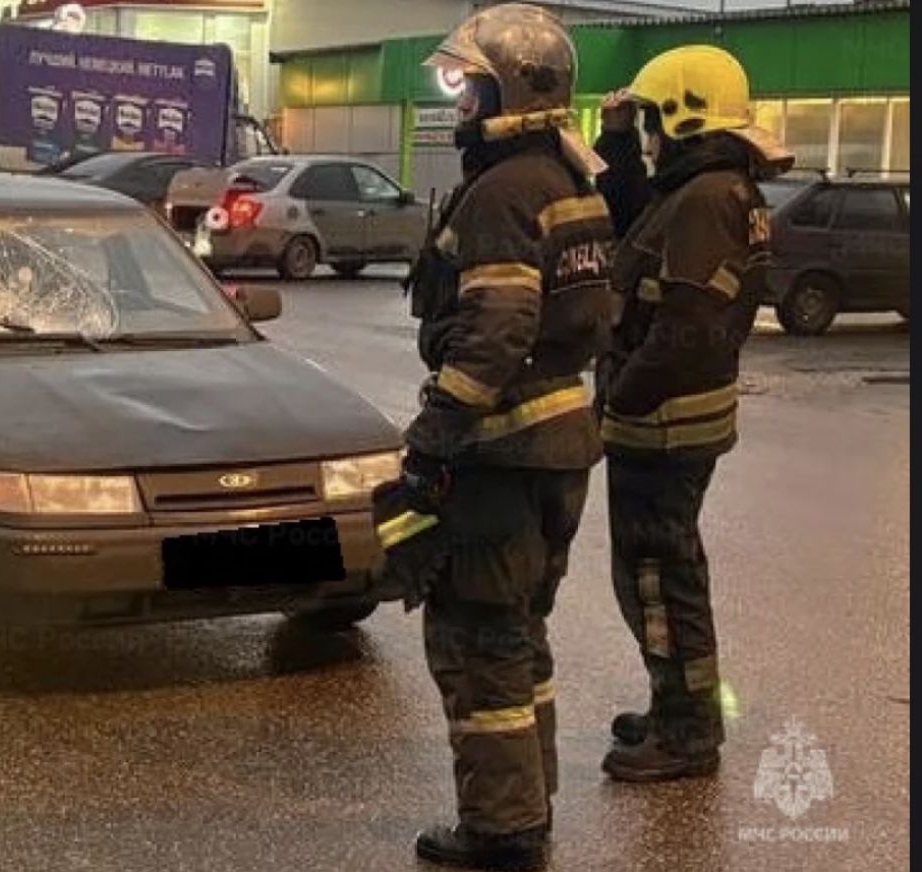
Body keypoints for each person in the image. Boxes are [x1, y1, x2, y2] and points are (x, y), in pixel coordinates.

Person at [373, 5, 614, 870]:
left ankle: (503, 830)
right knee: (520, 635)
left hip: (502, 457)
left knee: (478, 643)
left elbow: (495, 329)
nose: (460, 103)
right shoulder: (569, 181)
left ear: (508, 90)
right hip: (559, 452)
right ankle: (528, 803)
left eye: (468, 87)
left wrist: (433, 442)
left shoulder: (505, 192)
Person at [591, 45, 793, 782]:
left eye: (649, 119)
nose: (647, 132)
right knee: (664, 574)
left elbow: (684, 332)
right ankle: (677, 704)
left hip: (663, 426)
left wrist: (618, 398)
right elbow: (632, 219)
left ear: (685, 115)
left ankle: (686, 731)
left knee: (658, 579)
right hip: (673, 423)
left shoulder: (707, 199)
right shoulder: (706, 188)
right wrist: (613, 141)